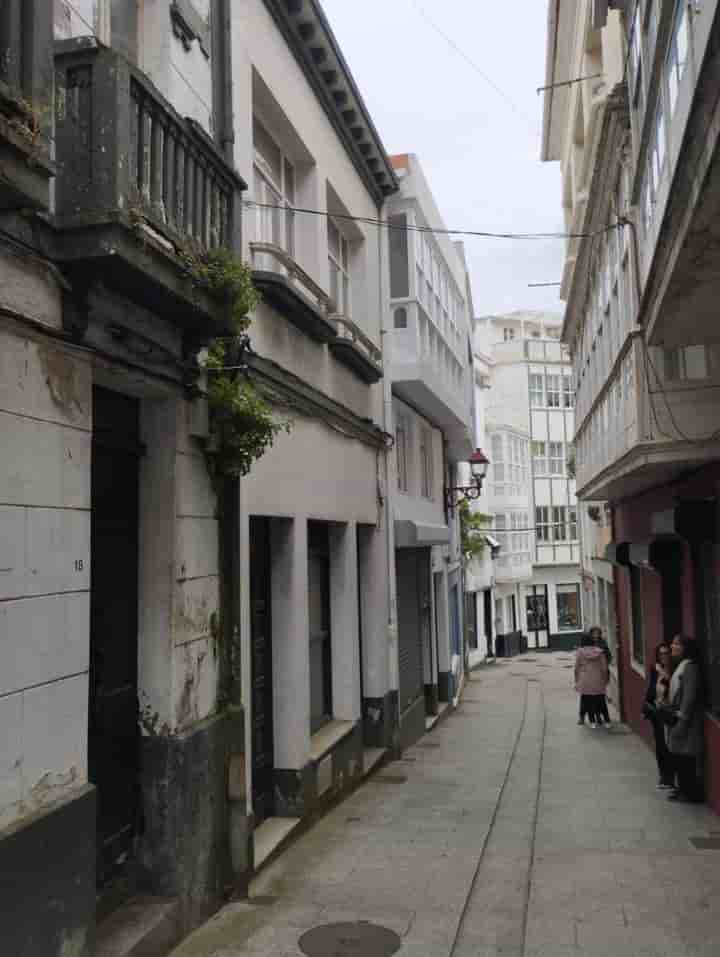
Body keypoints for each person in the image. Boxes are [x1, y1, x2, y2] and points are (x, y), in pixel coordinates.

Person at [666, 635, 704, 803]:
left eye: (676, 644)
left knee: (686, 758)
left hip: (686, 721)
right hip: (678, 718)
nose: (672, 646)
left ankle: (690, 793)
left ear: (685, 648)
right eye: (673, 643)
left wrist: (682, 722)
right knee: (678, 757)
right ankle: (682, 789)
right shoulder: (681, 665)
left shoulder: (690, 668)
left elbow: (688, 697)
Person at [642, 642, 675, 789]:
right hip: (657, 712)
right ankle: (664, 777)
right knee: (660, 746)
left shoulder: (674, 670)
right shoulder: (655, 669)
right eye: (661, 654)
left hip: (670, 713)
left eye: (666, 653)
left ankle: (672, 777)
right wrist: (646, 707)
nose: (664, 656)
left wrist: (664, 674)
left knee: (670, 747)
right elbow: (651, 688)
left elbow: (672, 687)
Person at [575, 632, 609, 727]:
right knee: (600, 699)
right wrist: (605, 679)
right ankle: (602, 719)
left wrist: (576, 680)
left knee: (585, 699)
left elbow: (576, 668)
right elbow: (604, 668)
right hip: (598, 679)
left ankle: (587, 720)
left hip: (585, 680)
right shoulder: (600, 652)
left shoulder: (580, 652)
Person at [589, 625, 612, 725]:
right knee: (596, 696)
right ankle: (598, 715)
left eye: (597, 633)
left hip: (602, 673)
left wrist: (606, 664)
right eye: (594, 633)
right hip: (593, 674)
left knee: (601, 696)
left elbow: (609, 655)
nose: (596, 635)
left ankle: (602, 715)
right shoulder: (588, 644)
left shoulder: (603, 643)